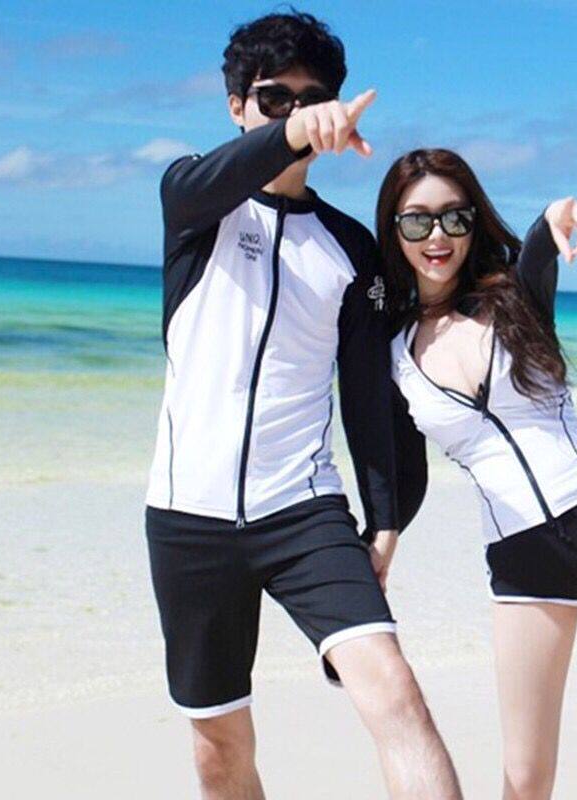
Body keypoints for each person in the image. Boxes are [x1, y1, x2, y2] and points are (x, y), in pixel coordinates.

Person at [145, 14, 461, 800]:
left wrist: (386, 516)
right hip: (189, 515)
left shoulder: (351, 249)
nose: (295, 111)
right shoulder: (194, 205)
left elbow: (368, 395)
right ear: (235, 106)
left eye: (312, 98)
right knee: (220, 749)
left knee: (396, 694)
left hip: (304, 510)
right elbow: (209, 179)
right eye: (273, 97)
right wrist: (293, 133)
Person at [375, 149, 577, 799]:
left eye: (454, 217)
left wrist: (553, 218)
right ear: (395, 231)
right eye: (417, 221)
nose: (438, 236)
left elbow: (538, 255)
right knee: (526, 776)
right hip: (521, 548)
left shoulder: (513, 296)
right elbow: (398, 467)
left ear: (473, 221)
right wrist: (383, 537)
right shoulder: (393, 354)